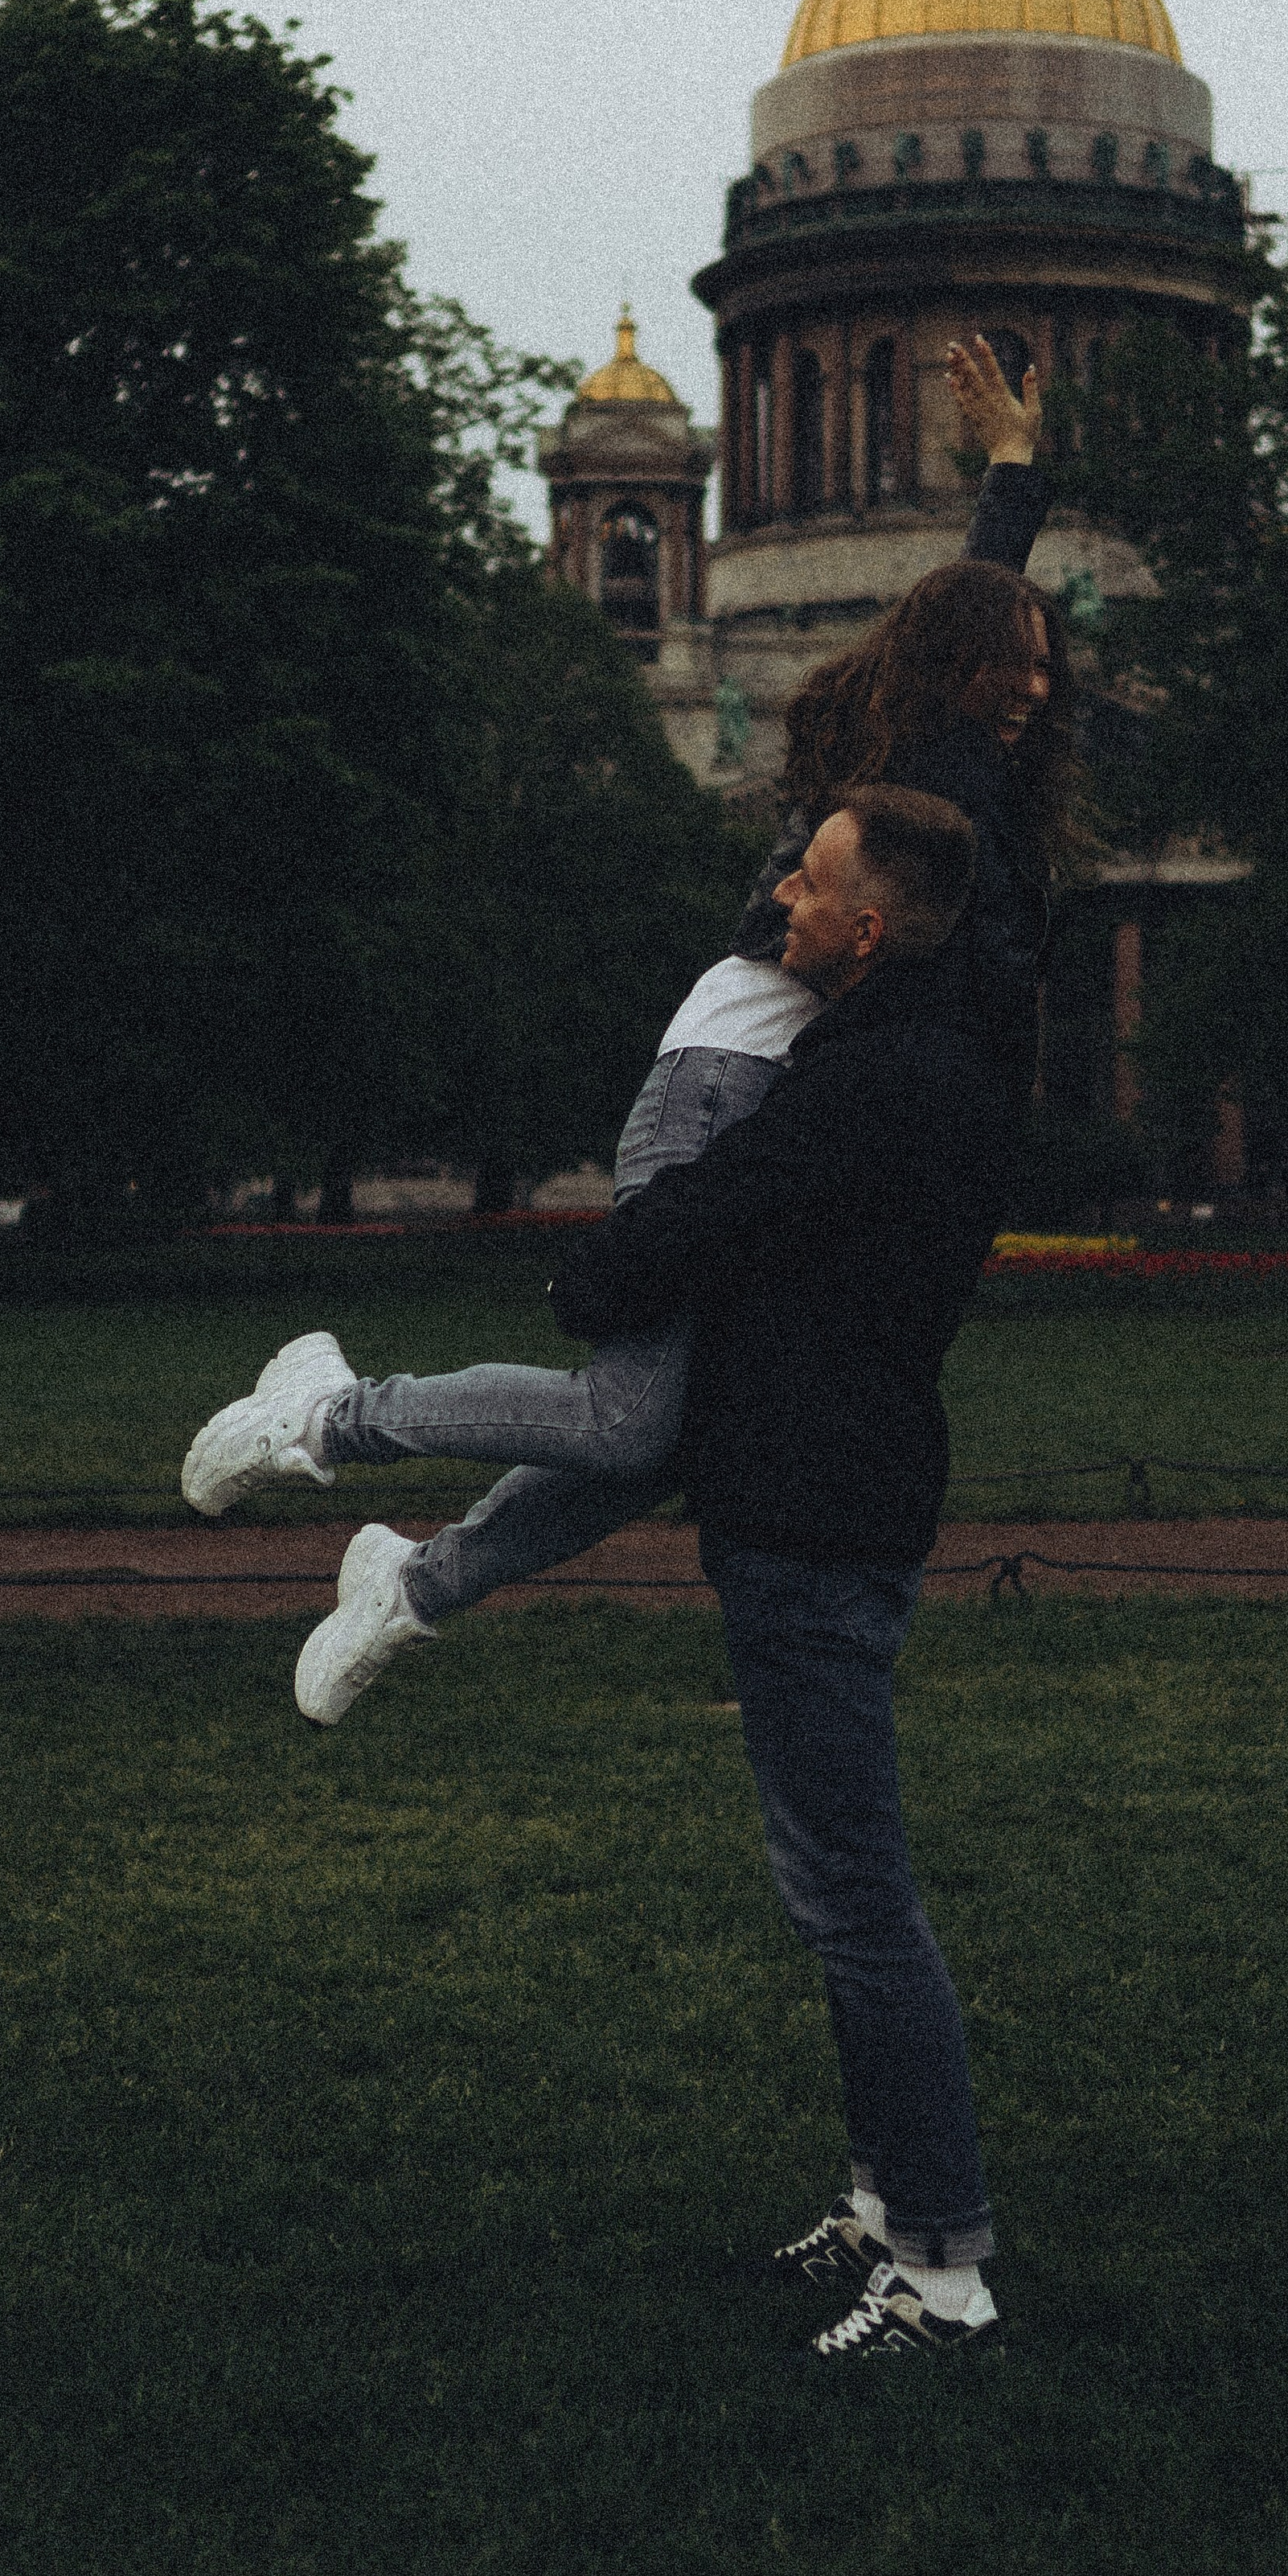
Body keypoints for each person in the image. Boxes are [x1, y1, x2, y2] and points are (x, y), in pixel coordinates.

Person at [178, 336, 1075, 1637]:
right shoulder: (913, 775)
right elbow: (969, 615)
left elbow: (975, 619)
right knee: (625, 1416)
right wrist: (1011, 484)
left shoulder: (934, 769)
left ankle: (412, 1589)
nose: (1032, 691)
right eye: (1009, 669)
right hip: (726, 1082)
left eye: (1044, 672)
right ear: (953, 674)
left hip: (784, 1102)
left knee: (666, 1438)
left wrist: (1012, 473)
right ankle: (323, 1411)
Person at [549, 783, 1011, 2360]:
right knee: (831, 1891)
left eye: (805, 887)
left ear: (866, 930)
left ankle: (942, 2266)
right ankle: (887, 2200)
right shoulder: (916, 1046)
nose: (779, 904)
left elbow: (713, 1206)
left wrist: (587, 1276)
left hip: (816, 1506)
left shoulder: (876, 1080)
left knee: (856, 1899)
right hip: (821, 1487)